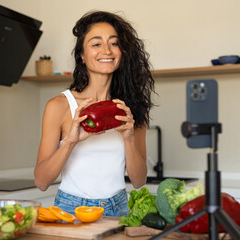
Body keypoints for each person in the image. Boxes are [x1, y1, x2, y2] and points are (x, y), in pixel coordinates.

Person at [34, 11, 155, 217]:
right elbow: (42, 182)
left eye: (114, 43)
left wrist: (128, 138)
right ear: (82, 55)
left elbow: (139, 181)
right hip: (70, 209)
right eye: (96, 44)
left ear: (123, 52)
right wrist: (70, 142)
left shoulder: (132, 109)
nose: (106, 50)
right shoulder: (59, 106)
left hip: (119, 208)